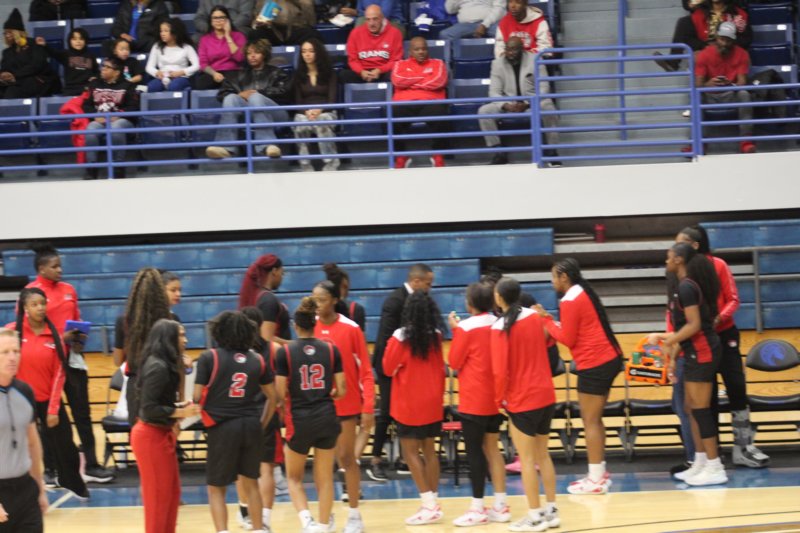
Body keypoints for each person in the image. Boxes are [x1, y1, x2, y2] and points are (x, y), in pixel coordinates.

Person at [674, 226, 769, 469]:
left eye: (680, 243)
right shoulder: (683, 273)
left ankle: (743, 446)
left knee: (736, 387)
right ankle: (712, 453)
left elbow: (733, 299)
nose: (675, 249)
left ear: (695, 245)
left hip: (724, 333)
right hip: (700, 340)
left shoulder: (718, 265)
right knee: (706, 399)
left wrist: (717, 319)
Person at [25, 245, 114, 485]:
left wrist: (79, 337)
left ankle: (92, 466)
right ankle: (51, 470)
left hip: (72, 361)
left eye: (60, 265)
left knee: (82, 414)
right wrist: (57, 339)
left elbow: (76, 319)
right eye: (54, 266)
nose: (60, 270)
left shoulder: (68, 290)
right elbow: (28, 329)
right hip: (46, 363)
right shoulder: (31, 293)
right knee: (47, 417)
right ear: (41, 269)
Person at [534, 258, 623, 495]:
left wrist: (545, 320)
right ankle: (599, 474)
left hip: (595, 363)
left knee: (590, 421)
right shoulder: (581, 292)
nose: (552, 282)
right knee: (595, 419)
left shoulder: (570, 299)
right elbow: (572, 329)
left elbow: (568, 338)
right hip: (607, 359)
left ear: (564, 277)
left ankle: (595, 480)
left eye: (554, 277)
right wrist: (550, 320)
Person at [648, 243, 727, 487]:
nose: (666, 262)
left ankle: (715, 466)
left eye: (668, 257)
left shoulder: (687, 287)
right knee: (689, 407)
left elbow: (694, 325)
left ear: (679, 260)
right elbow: (685, 329)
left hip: (703, 351)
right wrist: (671, 349)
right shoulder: (683, 286)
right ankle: (700, 462)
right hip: (693, 350)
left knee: (701, 410)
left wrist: (667, 340)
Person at [194, 311, 278, 533]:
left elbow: (196, 397)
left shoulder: (209, 357)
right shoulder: (257, 359)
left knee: (216, 488)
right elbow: (274, 397)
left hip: (222, 426)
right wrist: (262, 423)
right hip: (251, 425)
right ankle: (259, 529)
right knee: (251, 483)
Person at [7, 288, 89, 500]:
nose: (40, 308)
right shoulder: (12, 333)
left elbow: (59, 374)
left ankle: (71, 482)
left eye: (43, 303)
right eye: (34, 304)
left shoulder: (55, 335)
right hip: (19, 402)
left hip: (47, 400)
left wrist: (53, 409)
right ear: (25, 308)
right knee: (22, 448)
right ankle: (22, 492)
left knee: (66, 446)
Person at [491, 277, 559, 532]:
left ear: (499, 298)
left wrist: (499, 399)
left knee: (527, 460)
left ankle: (534, 516)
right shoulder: (534, 316)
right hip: (546, 394)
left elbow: (499, 371)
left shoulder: (499, 327)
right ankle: (551, 511)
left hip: (522, 398)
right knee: (543, 455)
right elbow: (550, 339)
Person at [275, 298, 346, 533]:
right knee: (324, 479)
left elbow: (279, 393)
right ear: (315, 324)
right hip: (327, 416)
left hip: (299, 419)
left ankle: (308, 523)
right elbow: (342, 389)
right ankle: (324, 526)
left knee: (294, 478)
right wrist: (327, 394)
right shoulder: (331, 349)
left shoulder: (285, 352)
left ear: (295, 326)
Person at [312, 281, 373, 533]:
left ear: (335, 300)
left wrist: (368, 406)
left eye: (322, 299)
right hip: (317, 406)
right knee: (322, 463)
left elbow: (366, 371)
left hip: (347, 406)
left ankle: (355, 515)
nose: (317, 304)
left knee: (347, 459)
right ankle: (325, 516)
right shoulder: (309, 327)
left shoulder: (351, 329)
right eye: (314, 299)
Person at [447, 282, 510, 527]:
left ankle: (477, 507)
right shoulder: (500, 323)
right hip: (496, 398)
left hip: (474, 399)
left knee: (474, 452)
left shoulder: (465, 327)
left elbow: (454, 361)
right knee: (493, 449)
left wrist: (455, 331)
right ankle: (501, 505)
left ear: (470, 302)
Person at [131, 319, 200, 533]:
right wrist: (180, 412)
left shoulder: (164, 364)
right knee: (158, 499)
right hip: (150, 436)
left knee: (171, 494)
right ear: (168, 338)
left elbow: (158, 402)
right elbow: (148, 408)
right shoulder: (157, 367)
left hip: (161, 433)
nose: (185, 340)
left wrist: (179, 406)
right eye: (181, 335)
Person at [383, 290, 445, 525]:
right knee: (430, 451)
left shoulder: (401, 336)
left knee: (410, 453)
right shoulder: (436, 334)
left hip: (409, 402)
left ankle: (428, 505)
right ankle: (433, 501)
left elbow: (387, 368)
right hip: (433, 401)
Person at [368, 263, 434, 481]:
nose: (430, 288)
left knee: (406, 412)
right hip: (389, 364)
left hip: (406, 364)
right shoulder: (395, 301)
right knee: (387, 411)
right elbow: (387, 338)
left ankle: (405, 458)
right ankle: (375, 459)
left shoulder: (421, 302)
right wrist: (394, 363)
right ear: (416, 281)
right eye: (428, 283)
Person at [478, 36, 559, 166]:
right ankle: (499, 152)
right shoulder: (497, 64)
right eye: (508, 49)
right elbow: (494, 92)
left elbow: (544, 88)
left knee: (548, 107)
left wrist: (527, 103)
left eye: (514, 49)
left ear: (522, 49)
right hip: (509, 104)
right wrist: (505, 105)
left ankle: (552, 151)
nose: (510, 53)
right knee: (484, 111)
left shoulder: (535, 59)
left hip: (531, 102)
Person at [205, 39, 290, 160]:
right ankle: (226, 147)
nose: (252, 56)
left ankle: (268, 144)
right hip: (247, 115)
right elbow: (222, 94)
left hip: (276, 113)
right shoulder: (237, 74)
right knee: (231, 98)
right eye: (249, 53)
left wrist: (257, 93)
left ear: (264, 54)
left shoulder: (277, 72)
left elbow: (284, 92)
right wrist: (240, 95)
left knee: (255, 97)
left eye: (256, 52)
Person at [240, 306, 285, 532]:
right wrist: (281, 406)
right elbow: (280, 389)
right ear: (260, 325)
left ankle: (246, 513)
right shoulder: (274, 349)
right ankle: (264, 519)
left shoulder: (236, 352)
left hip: (242, 415)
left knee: (243, 468)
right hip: (268, 412)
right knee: (267, 468)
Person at [0, 328, 49, 533]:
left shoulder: (25, 391)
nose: (12, 357)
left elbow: (33, 443)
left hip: (26, 491)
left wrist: (39, 488)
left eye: (16, 351)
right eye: (5, 352)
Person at [112, 268, 173, 425]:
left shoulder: (123, 322)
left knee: (139, 435)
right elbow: (176, 361)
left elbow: (118, 360)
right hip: (164, 385)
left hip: (136, 386)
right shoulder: (171, 320)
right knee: (164, 434)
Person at [694, 21, 755, 154]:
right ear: (717, 37)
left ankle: (746, 141)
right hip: (709, 95)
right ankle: (699, 142)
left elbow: (742, 82)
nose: (725, 43)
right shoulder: (704, 54)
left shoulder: (742, 54)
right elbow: (698, 85)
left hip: (730, 93)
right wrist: (708, 84)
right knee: (695, 97)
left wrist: (730, 84)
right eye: (722, 39)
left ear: (734, 40)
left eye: (728, 40)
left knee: (744, 94)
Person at [390, 37, 450, 169]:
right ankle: (401, 156)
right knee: (391, 115)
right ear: (410, 51)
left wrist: (410, 82)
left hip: (431, 102)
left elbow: (439, 81)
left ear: (427, 50)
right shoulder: (400, 64)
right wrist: (424, 78)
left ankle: (438, 154)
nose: (421, 52)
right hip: (404, 103)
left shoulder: (438, 63)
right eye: (417, 49)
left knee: (441, 114)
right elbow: (397, 81)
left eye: (423, 49)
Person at [82, 56, 139, 180]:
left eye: (107, 67)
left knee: (116, 127)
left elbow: (134, 107)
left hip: (122, 120)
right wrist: (95, 116)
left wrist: (118, 115)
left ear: (117, 72)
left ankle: (118, 166)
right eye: (102, 66)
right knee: (91, 129)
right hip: (100, 120)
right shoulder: (94, 84)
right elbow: (86, 105)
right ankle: (91, 168)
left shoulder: (128, 85)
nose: (103, 69)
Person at [656, 0, 751, 73]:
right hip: (705, 49)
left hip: (727, 50)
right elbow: (688, 38)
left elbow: (746, 40)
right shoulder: (699, 13)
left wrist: (725, 44)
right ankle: (673, 62)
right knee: (683, 23)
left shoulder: (738, 15)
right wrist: (704, 46)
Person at [292, 38, 341, 172]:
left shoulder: (330, 73)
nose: (307, 54)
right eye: (304, 51)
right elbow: (298, 102)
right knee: (300, 124)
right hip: (305, 112)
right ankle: (305, 164)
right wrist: (306, 112)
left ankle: (331, 162)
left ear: (318, 53)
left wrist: (319, 110)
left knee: (322, 121)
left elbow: (332, 101)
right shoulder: (298, 75)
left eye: (311, 51)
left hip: (326, 111)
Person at [0, 9, 60, 99]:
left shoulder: (34, 44)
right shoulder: (7, 52)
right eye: (5, 33)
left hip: (37, 80)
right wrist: (3, 74)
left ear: (18, 32)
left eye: (10, 32)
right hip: (16, 82)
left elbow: (37, 65)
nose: (7, 35)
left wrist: (15, 75)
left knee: (12, 91)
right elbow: (5, 68)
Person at [238, 254, 292, 343]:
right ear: (274, 271)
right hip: (276, 351)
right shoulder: (268, 300)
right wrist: (295, 344)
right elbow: (267, 338)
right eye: (282, 273)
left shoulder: (258, 295)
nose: (282, 277)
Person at [342, 4, 403, 84]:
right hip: (363, 72)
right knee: (343, 75)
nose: (371, 23)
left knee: (394, 75)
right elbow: (352, 60)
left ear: (382, 18)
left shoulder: (395, 33)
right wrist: (361, 71)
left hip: (383, 72)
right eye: (368, 19)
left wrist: (380, 70)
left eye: (375, 19)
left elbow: (396, 60)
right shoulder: (355, 33)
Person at [195, 5, 247, 90]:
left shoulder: (239, 36)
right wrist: (214, 74)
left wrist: (228, 36)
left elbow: (240, 58)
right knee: (200, 83)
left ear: (228, 20)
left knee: (232, 82)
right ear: (211, 21)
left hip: (233, 71)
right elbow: (203, 63)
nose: (218, 20)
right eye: (215, 18)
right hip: (213, 73)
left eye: (222, 17)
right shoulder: (205, 39)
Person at [35, 28, 98, 96]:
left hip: (87, 89)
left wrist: (95, 77)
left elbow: (96, 71)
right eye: (74, 39)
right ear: (69, 41)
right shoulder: (66, 54)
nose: (78, 41)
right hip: (70, 89)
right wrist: (45, 45)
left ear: (86, 40)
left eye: (81, 39)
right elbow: (53, 53)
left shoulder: (91, 55)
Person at [145, 18, 199, 93]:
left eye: (166, 31)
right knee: (152, 86)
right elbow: (149, 67)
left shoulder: (187, 47)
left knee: (175, 86)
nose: (162, 34)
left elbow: (197, 65)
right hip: (162, 77)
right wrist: (157, 73)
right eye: (161, 31)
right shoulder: (157, 46)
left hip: (180, 77)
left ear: (175, 33)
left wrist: (181, 72)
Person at [250, 0, 322, 47]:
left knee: (313, 35)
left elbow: (311, 22)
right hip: (271, 30)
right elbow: (255, 21)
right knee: (255, 35)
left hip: (297, 30)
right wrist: (259, 23)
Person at [323, 263, 366, 332]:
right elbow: (360, 337)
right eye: (347, 286)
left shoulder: (320, 308)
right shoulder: (355, 309)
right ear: (344, 285)